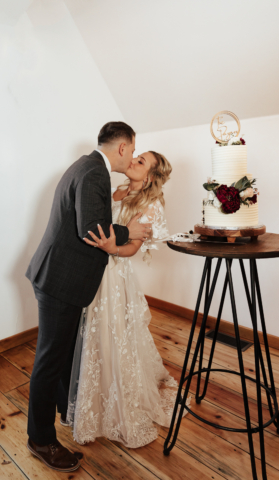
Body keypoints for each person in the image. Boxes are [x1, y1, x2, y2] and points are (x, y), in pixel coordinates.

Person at [25, 121, 152, 472]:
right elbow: (91, 229)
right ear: (123, 148)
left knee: (61, 354)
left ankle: (64, 415)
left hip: (57, 275)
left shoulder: (87, 165)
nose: (132, 158)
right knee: (50, 360)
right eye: (133, 150)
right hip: (59, 280)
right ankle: (40, 440)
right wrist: (132, 230)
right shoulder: (95, 173)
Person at [64, 150, 191, 448]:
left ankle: (117, 402)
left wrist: (112, 249)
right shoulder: (113, 190)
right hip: (89, 269)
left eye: (140, 161)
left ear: (149, 177)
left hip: (114, 273)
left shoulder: (151, 204)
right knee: (88, 331)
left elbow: (133, 248)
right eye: (136, 157)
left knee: (112, 331)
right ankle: (87, 395)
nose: (132, 161)